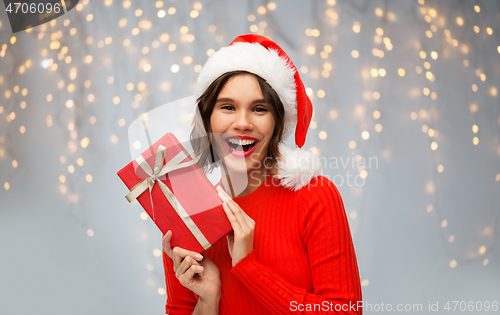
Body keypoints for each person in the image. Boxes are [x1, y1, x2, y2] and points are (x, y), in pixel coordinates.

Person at [162, 34, 363, 315]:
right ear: (207, 119)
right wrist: (208, 300)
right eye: (227, 107)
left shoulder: (314, 196)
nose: (242, 123)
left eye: (259, 109)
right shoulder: (185, 215)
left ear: (277, 123)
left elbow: (345, 311)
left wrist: (250, 269)